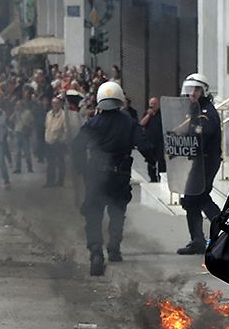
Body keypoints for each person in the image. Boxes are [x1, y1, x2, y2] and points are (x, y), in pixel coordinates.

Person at [71, 81, 155, 276]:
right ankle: (114, 249)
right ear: (120, 100)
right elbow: (144, 145)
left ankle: (95, 252)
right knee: (117, 213)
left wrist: (81, 168)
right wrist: (153, 162)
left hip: (96, 176)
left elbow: (77, 146)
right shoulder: (129, 122)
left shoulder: (93, 122)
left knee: (94, 214)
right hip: (120, 176)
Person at [176, 73, 223, 255]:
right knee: (192, 200)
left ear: (204, 91)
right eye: (189, 90)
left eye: (196, 89)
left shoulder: (207, 112)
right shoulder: (195, 110)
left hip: (207, 161)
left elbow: (203, 134)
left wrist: (188, 136)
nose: (192, 94)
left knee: (199, 197)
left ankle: (225, 232)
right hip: (199, 162)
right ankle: (198, 240)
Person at [43, 96, 76, 187]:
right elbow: (47, 126)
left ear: (60, 104)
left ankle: (60, 181)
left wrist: (62, 140)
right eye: (53, 103)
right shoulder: (49, 114)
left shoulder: (64, 115)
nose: (55, 105)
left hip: (59, 142)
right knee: (50, 163)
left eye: (57, 103)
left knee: (60, 162)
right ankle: (50, 181)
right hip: (49, 141)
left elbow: (66, 130)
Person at [140, 97, 165, 183]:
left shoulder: (161, 114)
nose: (152, 106)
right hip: (150, 141)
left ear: (157, 105)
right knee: (150, 160)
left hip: (159, 141)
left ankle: (162, 177)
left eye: (154, 104)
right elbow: (142, 124)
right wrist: (149, 115)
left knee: (161, 160)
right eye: (151, 105)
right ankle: (152, 177)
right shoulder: (147, 114)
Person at [11, 99, 35, 174]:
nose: (17, 106)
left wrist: (30, 130)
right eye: (16, 105)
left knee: (27, 152)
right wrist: (15, 113)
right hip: (17, 133)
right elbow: (10, 119)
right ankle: (18, 168)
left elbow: (32, 122)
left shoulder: (28, 113)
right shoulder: (16, 113)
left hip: (25, 134)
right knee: (17, 152)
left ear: (22, 106)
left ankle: (29, 167)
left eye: (19, 105)